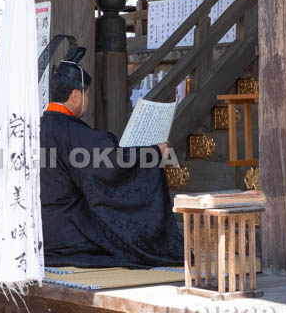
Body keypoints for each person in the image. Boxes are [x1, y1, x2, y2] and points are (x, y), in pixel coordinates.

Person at [40, 53, 183, 268]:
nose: (87, 101)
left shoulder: (35, 127)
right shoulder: (74, 133)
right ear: (75, 96)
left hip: (39, 232)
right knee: (118, 241)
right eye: (87, 95)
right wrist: (153, 152)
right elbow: (112, 165)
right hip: (70, 233)